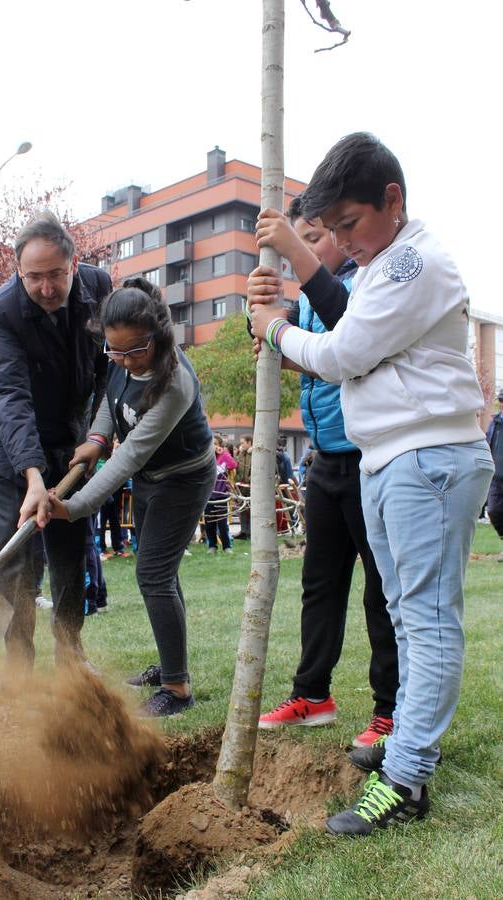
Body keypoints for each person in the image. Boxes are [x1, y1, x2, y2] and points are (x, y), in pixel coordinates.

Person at [249, 133, 494, 835]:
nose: (343, 242)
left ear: (393, 200)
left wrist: (273, 330)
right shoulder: (383, 264)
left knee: (426, 621)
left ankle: (406, 781)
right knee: (408, 619)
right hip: (391, 459)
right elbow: (343, 324)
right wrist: (292, 281)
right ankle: (409, 741)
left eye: (349, 223)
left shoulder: (411, 261)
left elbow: (344, 352)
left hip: (427, 459)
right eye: (333, 228)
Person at [250, 200, 399, 750]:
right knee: (320, 584)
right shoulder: (314, 298)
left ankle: (390, 710)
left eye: (313, 238)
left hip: (368, 459)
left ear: (339, 233)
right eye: (301, 239)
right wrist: (261, 318)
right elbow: (300, 351)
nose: (306, 250)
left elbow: (346, 350)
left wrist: (282, 327)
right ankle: (312, 694)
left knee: (380, 591)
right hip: (324, 461)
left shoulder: (362, 286)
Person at [47, 276, 216, 717]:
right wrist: (97, 437)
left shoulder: (175, 383)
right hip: (151, 477)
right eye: (114, 351)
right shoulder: (123, 356)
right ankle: (171, 664)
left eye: (134, 351)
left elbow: (131, 456)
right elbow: (110, 395)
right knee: (162, 573)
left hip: (183, 479)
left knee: (154, 574)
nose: (123, 360)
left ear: (158, 337)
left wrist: (75, 507)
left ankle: (177, 689)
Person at [0, 210, 111, 674]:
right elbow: (9, 396)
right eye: (34, 277)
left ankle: (70, 654)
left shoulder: (100, 289)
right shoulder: (0, 311)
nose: (46, 288)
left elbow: (108, 368)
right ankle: (18, 663)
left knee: (71, 537)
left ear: (74, 265)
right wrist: (32, 476)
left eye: (56, 275)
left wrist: (99, 431)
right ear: (18, 271)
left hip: (67, 429)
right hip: (3, 434)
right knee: (18, 547)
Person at [205, 434, 237, 554]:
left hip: (221, 495)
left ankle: (226, 546)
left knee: (222, 524)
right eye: (211, 444)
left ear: (219, 446)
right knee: (209, 523)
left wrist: (224, 453)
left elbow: (233, 465)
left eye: (215, 444)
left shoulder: (223, 457)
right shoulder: (207, 457)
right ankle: (212, 546)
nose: (213, 446)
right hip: (208, 496)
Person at [485, 388, 503, 554]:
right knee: (493, 511)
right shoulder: (495, 423)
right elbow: (488, 444)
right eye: (501, 400)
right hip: (496, 477)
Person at [234, 434, 253, 539]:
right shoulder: (241, 454)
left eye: (243, 443)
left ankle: (250, 531)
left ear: (249, 442)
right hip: (241, 486)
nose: (241, 445)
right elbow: (235, 464)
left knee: (251, 510)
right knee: (242, 509)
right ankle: (244, 531)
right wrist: (239, 453)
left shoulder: (254, 454)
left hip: (251, 486)